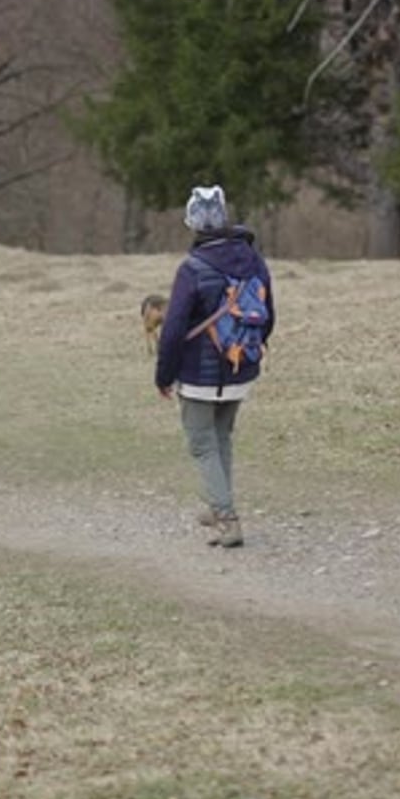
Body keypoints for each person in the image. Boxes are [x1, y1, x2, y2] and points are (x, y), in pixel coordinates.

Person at [155, 184, 275, 548]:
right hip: (240, 368)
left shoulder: (192, 268)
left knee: (202, 444)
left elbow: (173, 330)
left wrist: (163, 375)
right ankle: (217, 499)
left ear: (192, 222)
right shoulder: (255, 260)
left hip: (198, 376)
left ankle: (226, 518)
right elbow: (269, 316)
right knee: (221, 437)